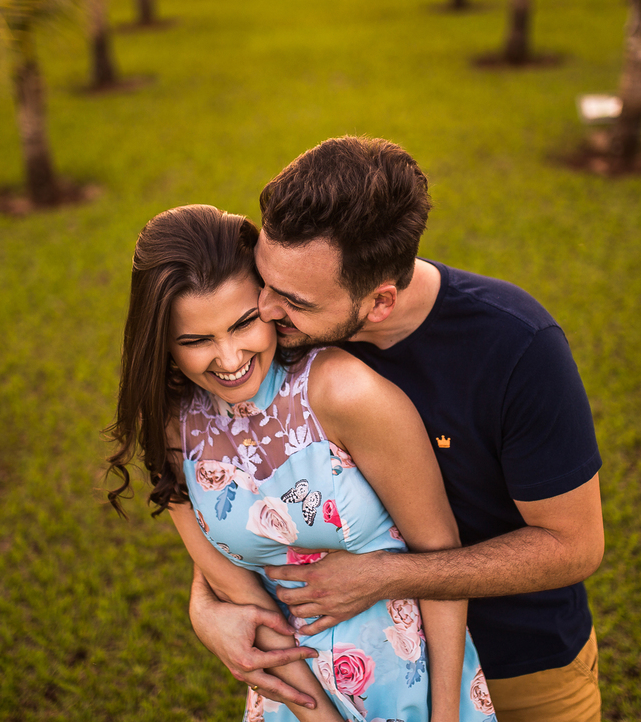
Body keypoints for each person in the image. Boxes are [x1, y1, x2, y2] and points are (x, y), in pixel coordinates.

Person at [187, 137, 605, 722]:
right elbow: (241, 488)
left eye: (293, 300)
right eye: (265, 280)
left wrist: (385, 577)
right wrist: (204, 605)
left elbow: (574, 546)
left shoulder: (516, 348)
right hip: (364, 673)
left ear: (380, 302)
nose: (266, 310)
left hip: (521, 665)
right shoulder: (280, 344)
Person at [106, 204, 498, 722]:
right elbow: (237, 589)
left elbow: (439, 556)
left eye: (244, 323)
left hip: (414, 683)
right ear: (164, 347)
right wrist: (317, 715)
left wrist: (446, 714)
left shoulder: (343, 392)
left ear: (267, 302)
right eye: (196, 341)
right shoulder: (171, 426)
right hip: (295, 698)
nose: (228, 358)